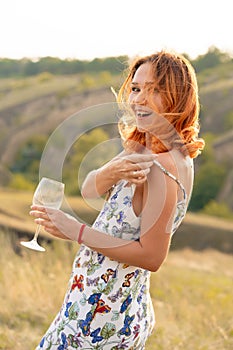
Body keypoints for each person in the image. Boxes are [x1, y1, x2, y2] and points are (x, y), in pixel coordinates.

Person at [30, 50, 205, 349]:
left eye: (155, 90)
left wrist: (76, 231)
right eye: (136, 88)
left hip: (102, 318)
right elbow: (88, 189)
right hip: (103, 303)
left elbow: (152, 257)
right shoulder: (144, 147)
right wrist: (109, 170)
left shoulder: (161, 168)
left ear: (178, 97)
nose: (138, 99)